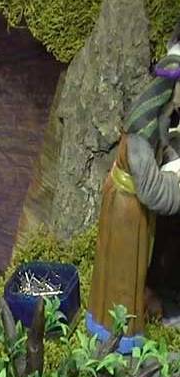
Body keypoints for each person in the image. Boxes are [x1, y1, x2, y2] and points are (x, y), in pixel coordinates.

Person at [88, 29, 180, 338]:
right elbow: (153, 191)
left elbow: (165, 143)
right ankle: (121, 333)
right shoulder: (140, 134)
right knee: (123, 273)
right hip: (127, 210)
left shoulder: (157, 120)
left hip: (129, 205)